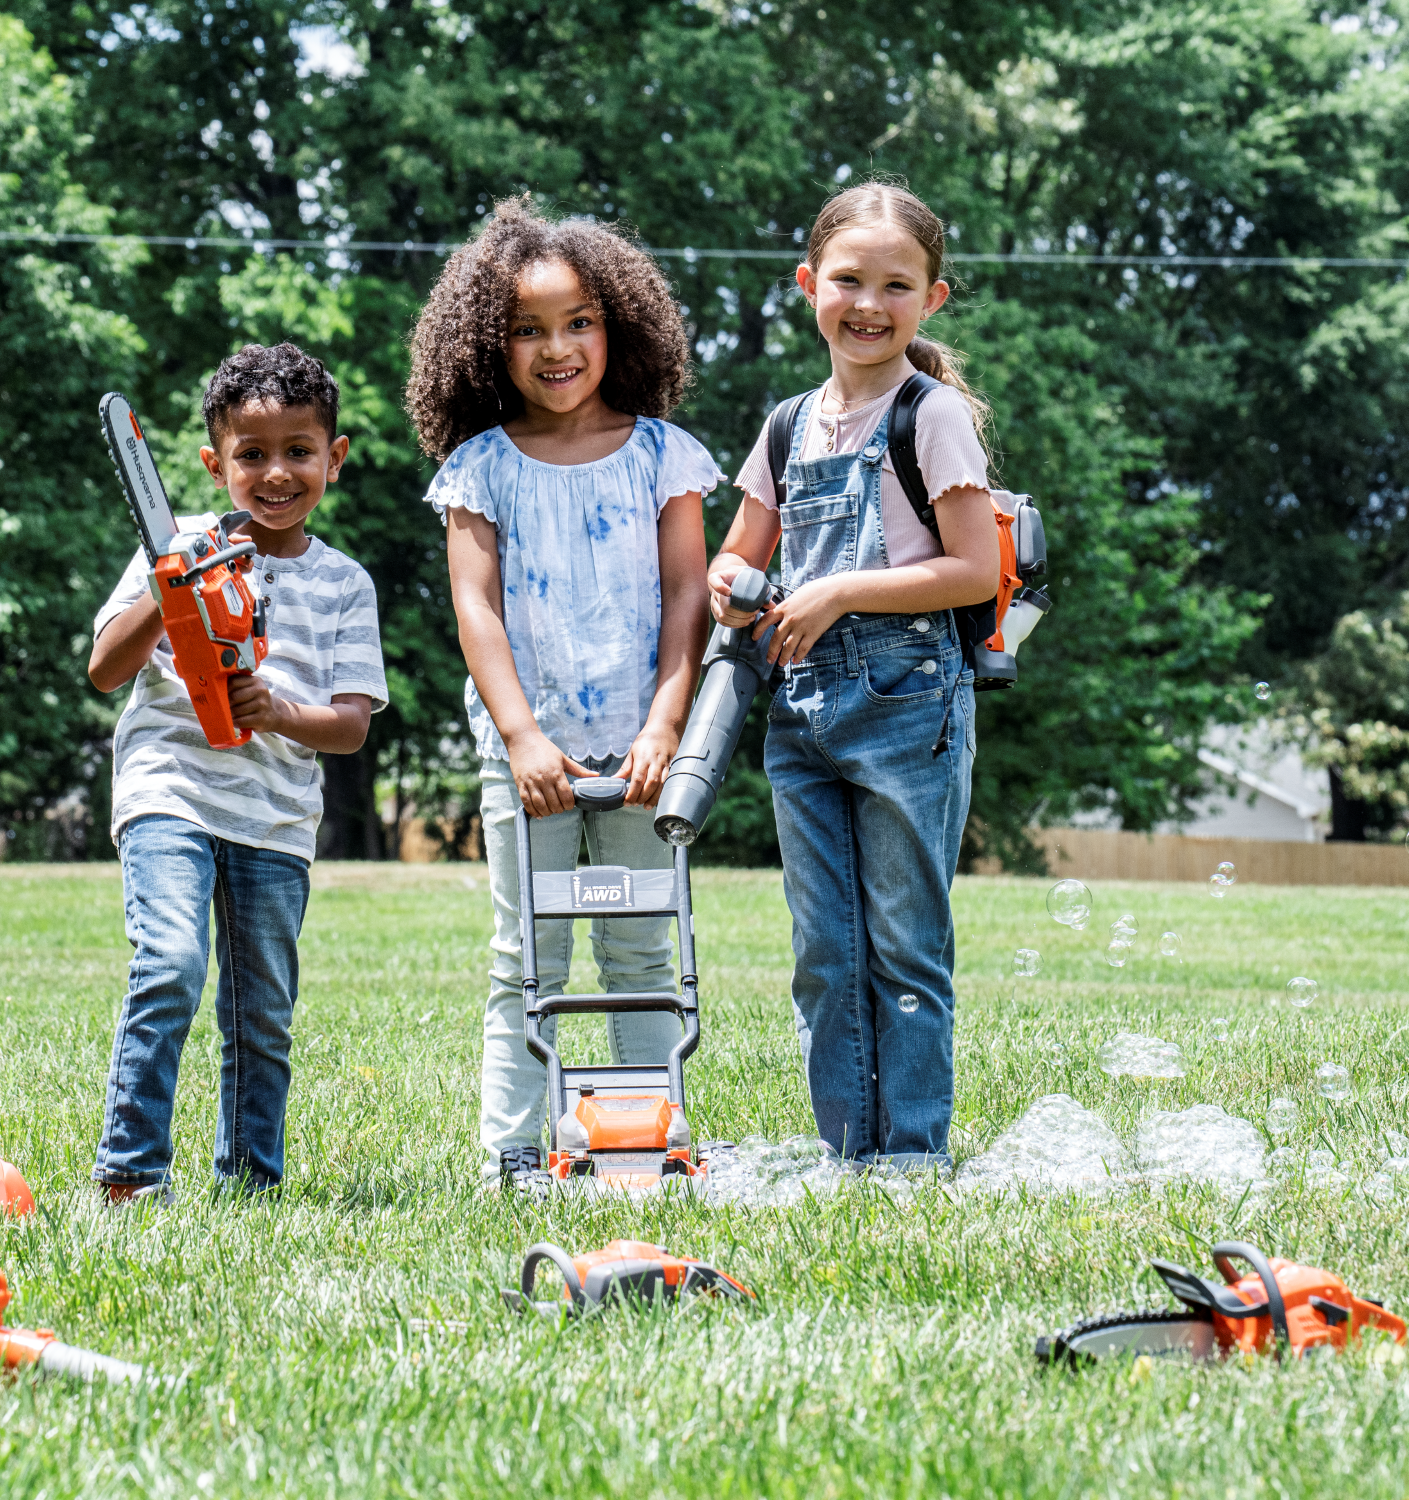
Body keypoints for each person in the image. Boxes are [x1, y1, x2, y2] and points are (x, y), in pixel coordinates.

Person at [407, 196, 717, 1194]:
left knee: (639, 951)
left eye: (578, 321)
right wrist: (522, 738)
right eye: (527, 330)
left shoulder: (666, 454)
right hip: (526, 750)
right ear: (485, 350)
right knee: (524, 958)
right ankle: (512, 1149)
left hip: (642, 752)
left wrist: (666, 723)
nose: (557, 347)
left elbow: (686, 599)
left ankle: (637, 1139)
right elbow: (478, 610)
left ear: (617, 327)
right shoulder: (479, 470)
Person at [709, 181, 1001, 1168]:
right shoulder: (789, 424)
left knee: (903, 948)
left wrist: (834, 593)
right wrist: (732, 585)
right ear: (807, 286)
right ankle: (849, 1155)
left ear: (933, 300)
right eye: (847, 280)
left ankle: (912, 1157)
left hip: (909, 700)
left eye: (896, 285)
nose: (869, 304)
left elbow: (973, 570)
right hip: (801, 708)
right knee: (828, 958)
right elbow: (739, 552)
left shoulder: (933, 415)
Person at [85, 343, 387, 1201]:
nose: (276, 472)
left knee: (260, 1011)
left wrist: (278, 712)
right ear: (216, 463)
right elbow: (106, 669)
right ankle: (131, 1173)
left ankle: (251, 1181)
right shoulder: (174, 542)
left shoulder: (343, 584)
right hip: (169, 790)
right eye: (251, 455)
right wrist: (166, 586)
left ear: (334, 456)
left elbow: (351, 726)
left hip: (274, 815)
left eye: (298, 450)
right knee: (172, 962)